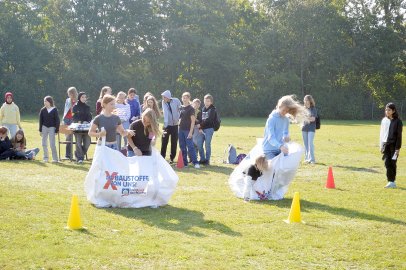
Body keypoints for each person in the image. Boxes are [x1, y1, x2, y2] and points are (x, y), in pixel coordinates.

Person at [262, 95, 309, 160]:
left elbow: (285, 132)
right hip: (269, 150)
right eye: (283, 110)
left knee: (287, 166)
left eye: (287, 111)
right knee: (274, 168)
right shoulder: (271, 119)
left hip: (280, 149)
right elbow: (271, 138)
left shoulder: (286, 120)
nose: (285, 113)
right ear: (279, 106)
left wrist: (286, 137)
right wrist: (280, 146)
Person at [380, 103, 403, 188]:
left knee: (393, 163)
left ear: (393, 111)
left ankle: (392, 181)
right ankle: (390, 181)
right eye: (386, 110)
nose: (387, 111)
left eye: (389, 110)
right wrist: (381, 145)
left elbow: (399, 136)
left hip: (394, 146)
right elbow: (382, 134)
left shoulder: (398, 122)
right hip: (386, 145)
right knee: (387, 163)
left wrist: (397, 148)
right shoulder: (385, 120)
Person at [179, 92, 200, 168]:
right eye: (183, 98)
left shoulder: (191, 109)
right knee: (182, 146)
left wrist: (191, 132)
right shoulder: (181, 107)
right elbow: (180, 118)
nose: (184, 99)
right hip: (180, 130)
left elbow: (193, 121)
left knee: (190, 147)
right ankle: (185, 163)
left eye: (186, 98)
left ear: (189, 99)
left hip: (188, 131)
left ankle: (195, 163)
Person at [160, 90, 181, 163]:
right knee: (164, 142)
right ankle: (162, 157)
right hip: (167, 125)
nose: (163, 99)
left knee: (174, 142)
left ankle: (172, 158)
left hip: (175, 125)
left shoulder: (176, 100)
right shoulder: (163, 102)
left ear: (168, 97)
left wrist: (179, 119)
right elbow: (165, 114)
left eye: (164, 97)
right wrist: (165, 125)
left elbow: (180, 109)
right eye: (163, 97)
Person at [196, 94, 217, 165]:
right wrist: (200, 128)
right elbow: (199, 119)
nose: (206, 102)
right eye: (205, 100)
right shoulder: (203, 109)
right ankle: (202, 159)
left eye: (208, 101)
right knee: (199, 144)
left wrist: (201, 125)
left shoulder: (212, 109)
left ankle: (207, 160)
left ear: (211, 102)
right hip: (202, 130)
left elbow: (209, 120)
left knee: (207, 145)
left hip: (209, 129)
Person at [72, 92, 92, 163]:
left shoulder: (87, 107)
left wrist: (87, 121)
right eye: (82, 97)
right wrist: (78, 121)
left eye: (85, 97)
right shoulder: (75, 106)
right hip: (77, 128)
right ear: (79, 98)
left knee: (88, 142)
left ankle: (78, 154)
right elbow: (73, 117)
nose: (84, 98)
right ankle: (80, 158)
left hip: (86, 128)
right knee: (78, 143)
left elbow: (89, 117)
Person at [39, 96, 60, 163]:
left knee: (52, 144)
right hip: (44, 127)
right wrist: (40, 130)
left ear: (50, 102)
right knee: (44, 143)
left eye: (46, 101)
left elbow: (57, 120)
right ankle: (46, 158)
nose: (45, 102)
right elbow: (40, 120)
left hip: (52, 128)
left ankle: (55, 159)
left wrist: (56, 130)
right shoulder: (42, 110)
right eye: (44, 101)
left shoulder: (54, 109)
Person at [62, 87, 78, 159]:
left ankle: (77, 155)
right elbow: (65, 110)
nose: (68, 94)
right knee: (68, 138)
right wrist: (63, 120)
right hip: (66, 119)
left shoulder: (77, 101)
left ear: (72, 93)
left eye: (69, 93)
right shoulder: (67, 100)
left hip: (73, 120)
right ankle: (68, 155)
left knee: (76, 137)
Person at [302, 95, 318, 164]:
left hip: (311, 127)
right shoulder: (303, 109)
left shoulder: (313, 109)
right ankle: (306, 159)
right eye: (304, 100)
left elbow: (313, 119)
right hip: (304, 127)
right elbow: (301, 117)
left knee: (310, 143)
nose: (305, 101)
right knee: (305, 144)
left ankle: (312, 160)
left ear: (310, 100)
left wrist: (306, 118)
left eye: (306, 100)